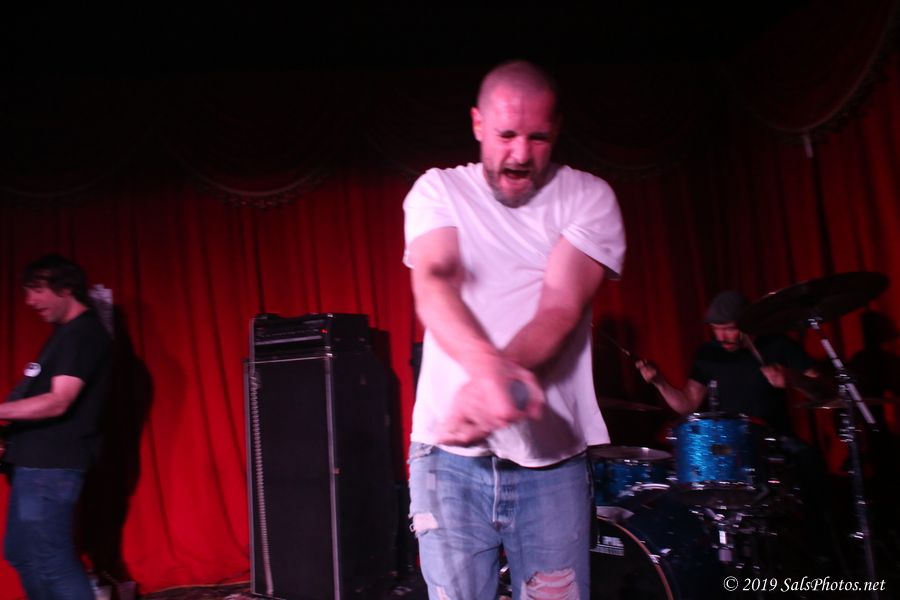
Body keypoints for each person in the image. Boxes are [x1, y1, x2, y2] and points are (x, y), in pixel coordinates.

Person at [403, 60, 625, 598]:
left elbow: (560, 306)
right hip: (447, 459)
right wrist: (491, 374)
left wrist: (496, 381)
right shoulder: (438, 190)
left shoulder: (589, 197)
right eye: (506, 135)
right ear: (478, 124)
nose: (521, 155)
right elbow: (434, 281)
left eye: (538, 137)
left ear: (557, 130)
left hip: (551, 461)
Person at [0, 254, 111, 599]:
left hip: (51, 468)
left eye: (37, 290)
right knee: (21, 553)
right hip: (34, 465)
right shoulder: (63, 335)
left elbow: (59, 400)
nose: (29, 301)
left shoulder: (83, 334)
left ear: (66, 289)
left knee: (53, 561)